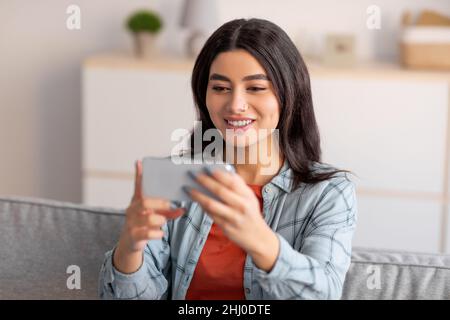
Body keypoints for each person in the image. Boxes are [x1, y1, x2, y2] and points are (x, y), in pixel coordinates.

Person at [98, 18, 357, 300]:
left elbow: (324, 294)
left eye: (256, 88)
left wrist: (259, 239)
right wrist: (130, 246)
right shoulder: (174, 177)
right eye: (220, 88)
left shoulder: (329, 193)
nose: (235, 105)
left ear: (288, 93)